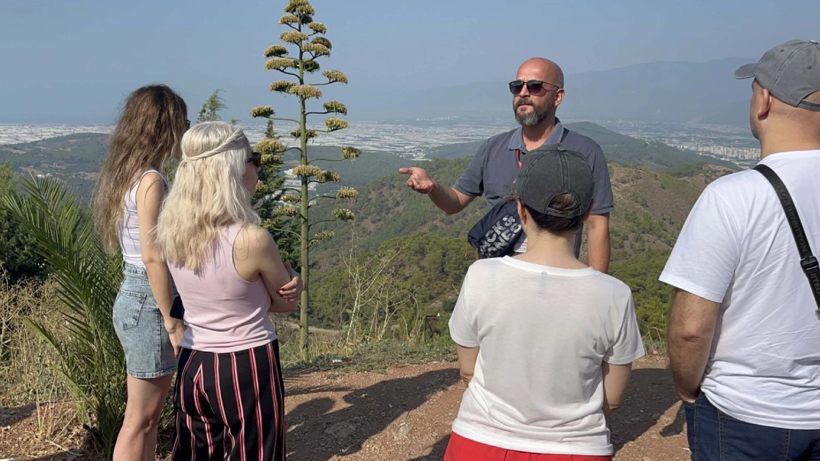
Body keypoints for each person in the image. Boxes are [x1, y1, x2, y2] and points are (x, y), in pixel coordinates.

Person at [662, 39, 820, 460]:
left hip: (743, 414)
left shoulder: (733, 196)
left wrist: (687, 391)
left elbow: (691, 328)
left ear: (764, 99)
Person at [446, 145, 645, 461]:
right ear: (588, 210)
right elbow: (613, 398)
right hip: (577, 449)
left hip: (480, 442)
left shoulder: (481, 276)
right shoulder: (614, 295)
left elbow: (469, 371)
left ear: (521, 209)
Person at [155, 121, 302, 461]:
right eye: (255, 159)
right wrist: (297, 280)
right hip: (246, 360)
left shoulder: (171, 231)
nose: (258, 167)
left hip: (193, 360)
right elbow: (283, 304)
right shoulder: (252, 239)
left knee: (194, 454)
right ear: (234, 169)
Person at [400, 58, 615, 272]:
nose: (523, 93)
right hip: (497, 283)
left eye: (535, 86)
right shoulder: (493, 148)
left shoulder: (585, 152)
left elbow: (597, 226)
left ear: (558, 96)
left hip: (555, 281)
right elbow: (455, 202)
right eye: (516, 86)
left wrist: (596, 290)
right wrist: (433, 187)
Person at [93, 84, 188, 461]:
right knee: (141, 419)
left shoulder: (127, 175)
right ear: (164, 126)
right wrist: (172, 321)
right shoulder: (151, 181)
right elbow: (153, 258)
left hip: (135, 297)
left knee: (145, 419)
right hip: (149, 302)